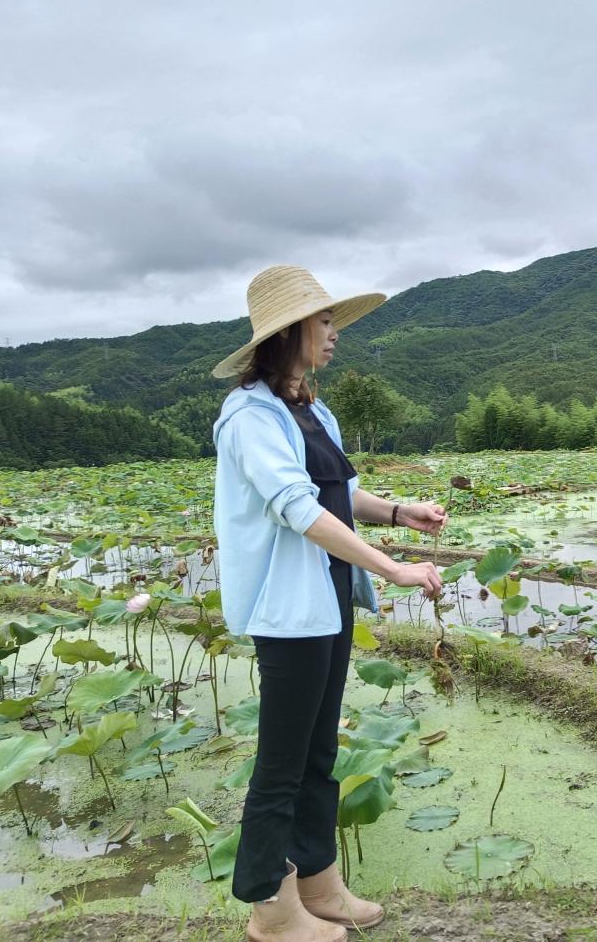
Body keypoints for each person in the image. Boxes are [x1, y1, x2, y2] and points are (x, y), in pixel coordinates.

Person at [212, 265, 446, 942]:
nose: (333, 333)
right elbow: (295, 508)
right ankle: (270, 910)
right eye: (323, 321)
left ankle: (318, 882)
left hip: (329, 597)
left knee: (318, 753)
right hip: (287, 610)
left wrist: (400, 512)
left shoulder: (312, 410)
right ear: (288, 333)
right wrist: (394, 569)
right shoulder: (249, 416)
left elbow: (339, 496)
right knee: (281, 761)